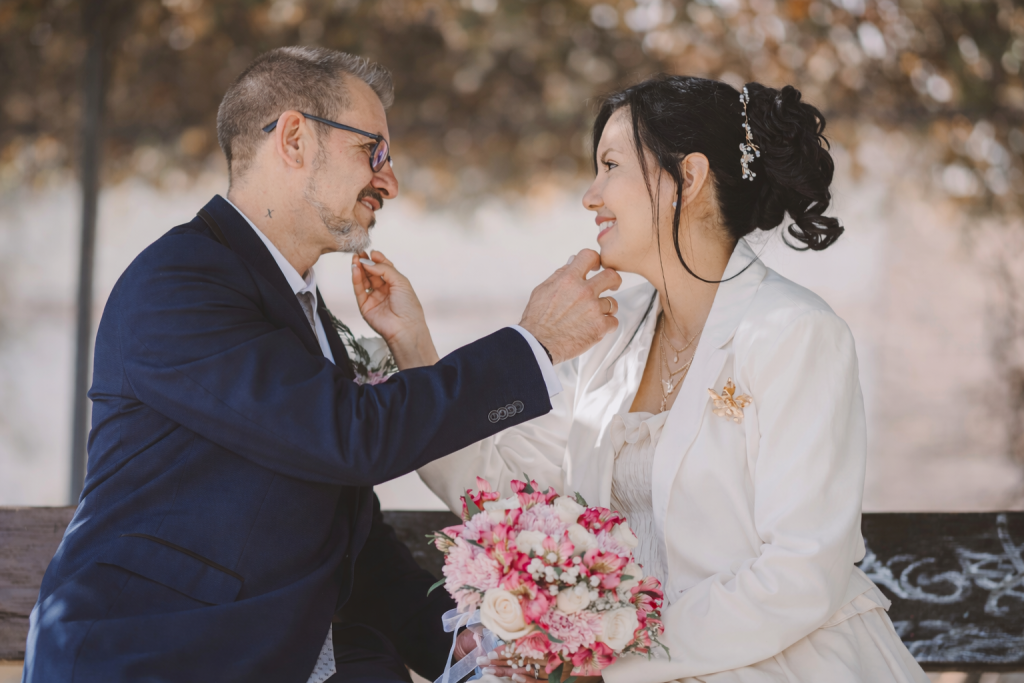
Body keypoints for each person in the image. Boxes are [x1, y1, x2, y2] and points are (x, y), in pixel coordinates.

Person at [22, 47, 623, 683]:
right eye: (375, 152)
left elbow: (346, 534)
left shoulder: (291, 302)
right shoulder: (177, 284)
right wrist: (535, 343)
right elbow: (352, 437)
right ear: (294, 138)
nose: (389, 181)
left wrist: (456, 645)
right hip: (152, 656)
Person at [418, 75, 930, 683]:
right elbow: (512, 498)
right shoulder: (612, 332)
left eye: (610, 166)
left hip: (780, 662)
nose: (591, 195)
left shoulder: (795, 331)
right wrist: (413, 353)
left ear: (688, 177)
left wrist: (611, 655)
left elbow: (802, 568)